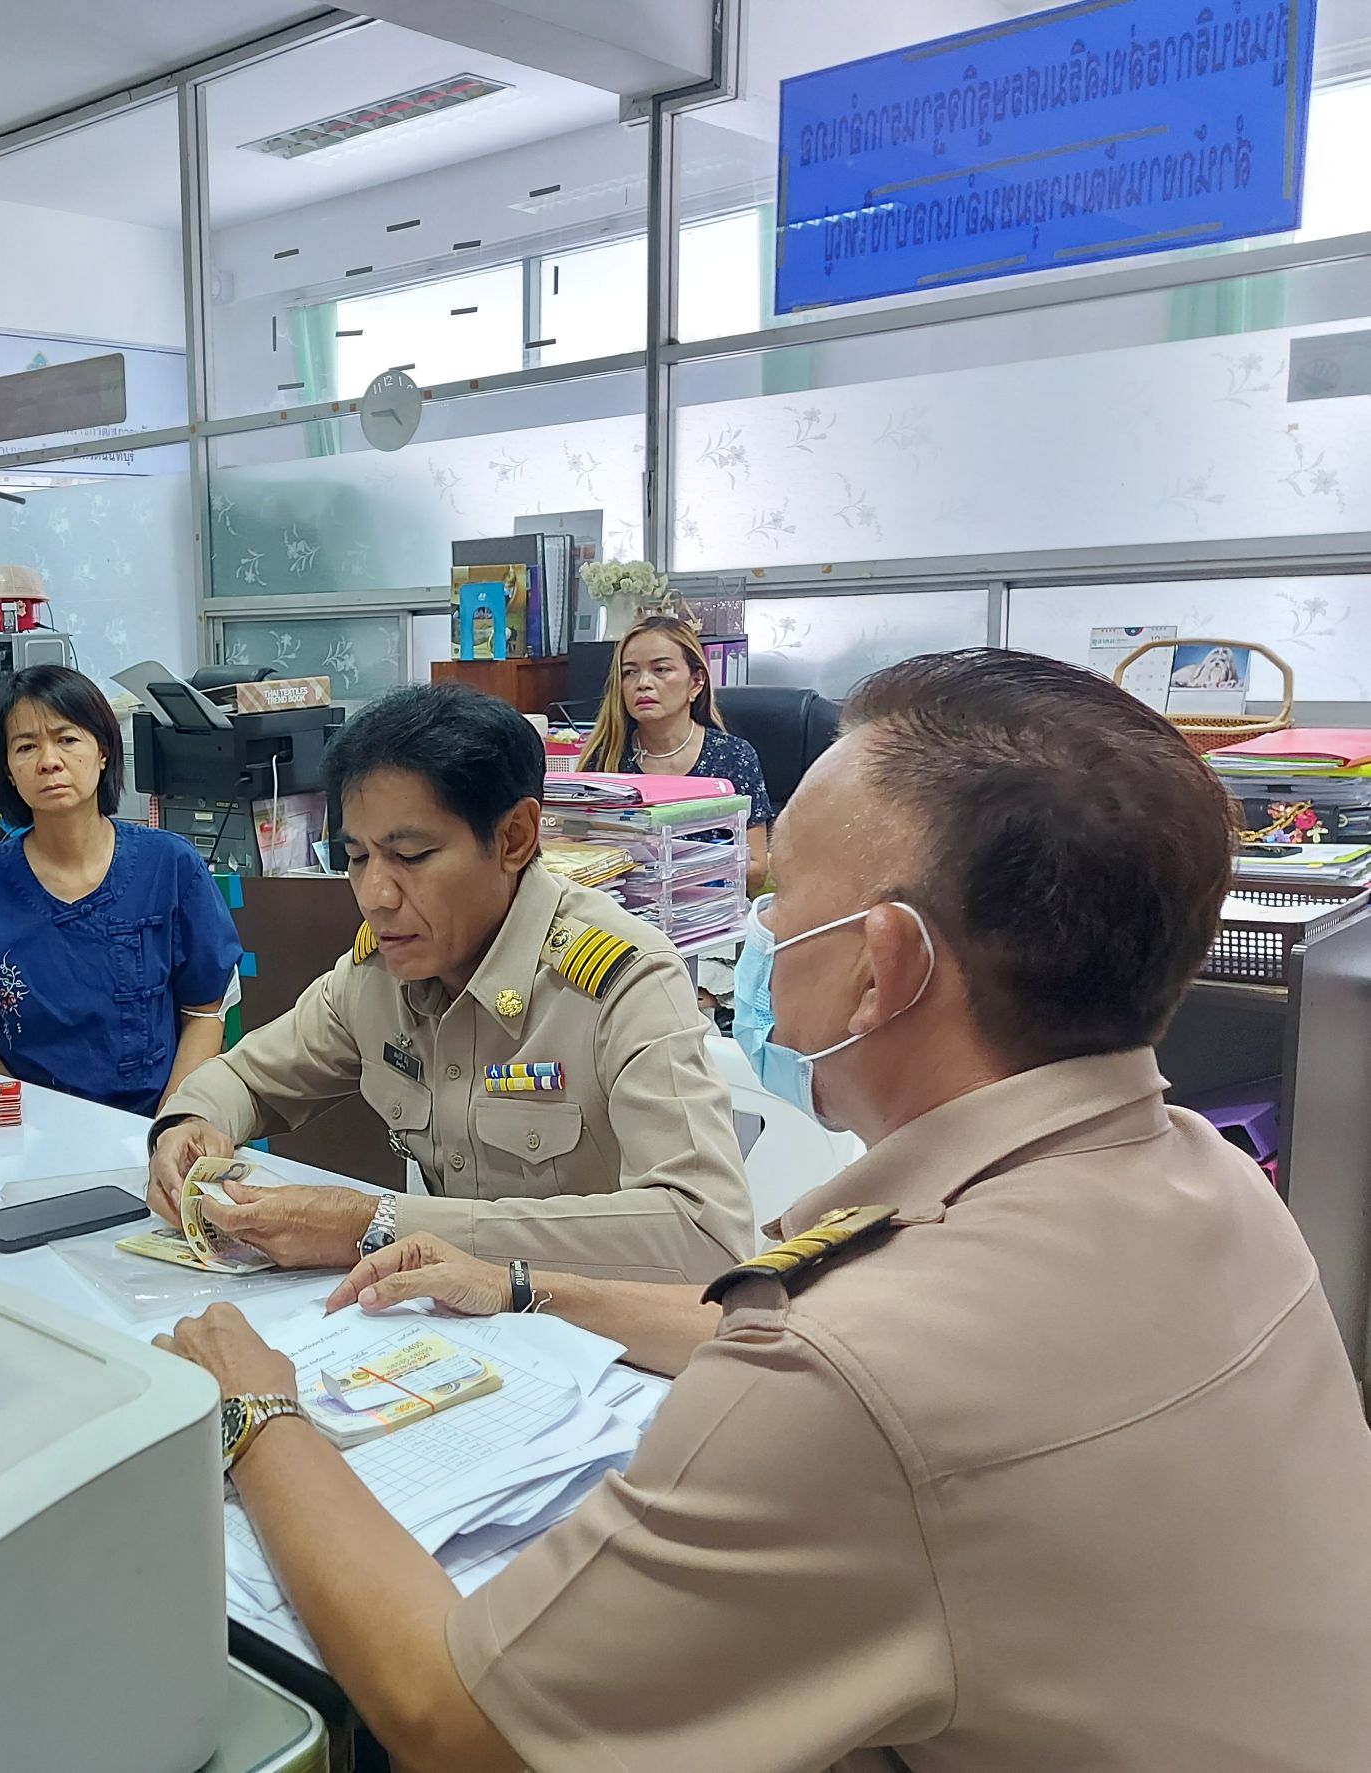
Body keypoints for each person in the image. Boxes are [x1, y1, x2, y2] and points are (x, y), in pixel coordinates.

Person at [159, 649, 1371, 1772]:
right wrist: (526, 1282)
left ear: (883, 965)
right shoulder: (1212, 1177)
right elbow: (782, 1314)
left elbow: (458, 1720)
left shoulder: (841, 1373)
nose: (755, 930)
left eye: (779, 896)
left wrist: (252, 1410)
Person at [151, 682, 751, 1283]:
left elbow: (706, 1235)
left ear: (514, 838)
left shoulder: (621, 981)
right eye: (357, 858)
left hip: (591, 1341)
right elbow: (245, 1078)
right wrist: (190, 1125)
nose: (375, 898)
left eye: (410, 856)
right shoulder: (379, 976)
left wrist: (382, 1225)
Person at [0, 666, 241, 1115]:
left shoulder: (170, 865)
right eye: (26, 746)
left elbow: (205, 1011)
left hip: (154, 1119)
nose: (49, 761)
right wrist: (27, 1123)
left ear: (103, 751)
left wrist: (169, 1124)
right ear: (9, 770)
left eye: (67, 739)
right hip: (34, 1125)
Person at [581, 613, 773, 891]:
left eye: (660, 670)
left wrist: (676, 869)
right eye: (629, 672)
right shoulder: (605, 758)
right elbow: (573, 838)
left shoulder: (733, 757)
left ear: (696, 683)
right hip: (624, 910)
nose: (643, 683)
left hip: (707, 914)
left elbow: (756, 869)